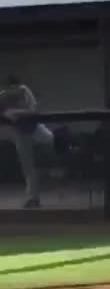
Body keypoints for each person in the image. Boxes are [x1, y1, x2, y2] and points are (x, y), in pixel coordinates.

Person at [0, 74, 54, 208]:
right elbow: (4, 114)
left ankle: (45, 166)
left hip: (35, 129)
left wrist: (15, 112)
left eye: (16, 87)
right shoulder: (3, 95)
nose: (14, 90)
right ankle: (33, 198)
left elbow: (33, 110)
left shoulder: (24, 90)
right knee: (28, 168)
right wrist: (6, 113)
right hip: (20, 133)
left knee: (51, 138)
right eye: (11, 88)